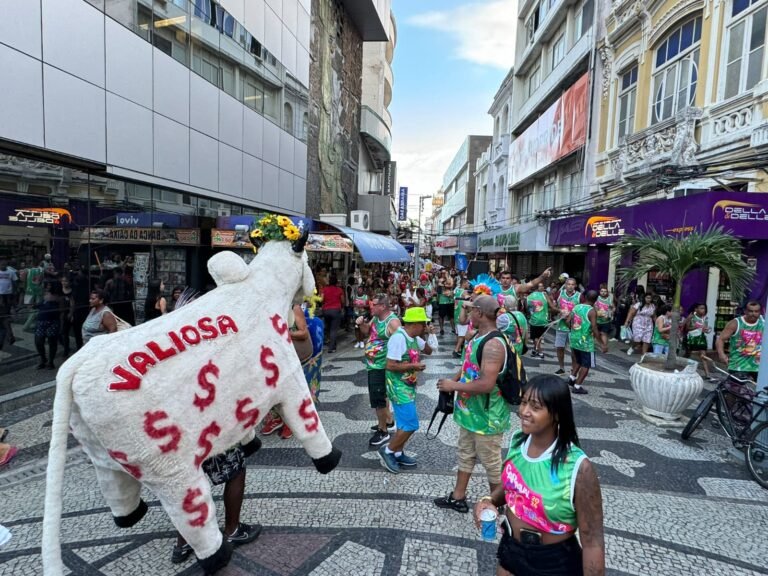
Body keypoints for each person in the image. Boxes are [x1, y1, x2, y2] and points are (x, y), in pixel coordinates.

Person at [473, 375, 605, 576]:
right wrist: (488, 499)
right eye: (524, 402)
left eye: (535, 407)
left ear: (557, 414)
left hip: (553, 561)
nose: (524, 412)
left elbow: (592, 540)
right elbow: (513, 486)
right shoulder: (518, 443)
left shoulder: (578, 467)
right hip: (511, 550)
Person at [434, 295, 510, 513]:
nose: (467, 314)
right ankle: (458, 497)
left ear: (480, 313)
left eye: (471, 310)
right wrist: (454, 380)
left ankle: (499, 505)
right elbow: (468, 365)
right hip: (470, 412)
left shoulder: (494, 344)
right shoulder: (478, 335)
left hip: (487, 416)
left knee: (491, 462)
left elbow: (487, 384)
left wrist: (453, 386)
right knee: (465, 453)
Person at [171, 441, 262, 564]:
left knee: (184, 482)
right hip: (207, 430)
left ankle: (184, 542)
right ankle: (233, 530)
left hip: (172, 435)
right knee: (235, 469)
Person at [378, 307, 433, 473]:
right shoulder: (398, 339)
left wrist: (428, 333)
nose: (425, 326)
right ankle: (387, 451)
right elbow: (390, 365)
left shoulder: (414, 337)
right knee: (410, 424)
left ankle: (398, 452)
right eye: (423, 324)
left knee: (403, 423)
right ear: (415, 324)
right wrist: (414, 365)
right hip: (397, 386)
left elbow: (429, 351)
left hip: (408, 385)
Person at [357, 294, 400, 447]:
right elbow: (366, 332)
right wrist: (361, 324)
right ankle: (388, 421)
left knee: (378, 400)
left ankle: (383, 431)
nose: (370, 306)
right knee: (382, 396)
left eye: (373, 304)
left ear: (382, 306)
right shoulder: (376, 318)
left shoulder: (393, 323)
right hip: (374, 365)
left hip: (382, 366)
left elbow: (402, 344)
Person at [568, 290, 606, 394]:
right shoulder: (592, 311)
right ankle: (577, 386)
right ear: (596, 300)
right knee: (586, 365)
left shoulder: (576, 307)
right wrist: (602, 343)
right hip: (586, 343)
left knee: (579, 361)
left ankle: (571, 378)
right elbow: (594, 328)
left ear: (585, 297)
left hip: (574, 339)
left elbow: (568, 321)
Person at [716, 300, 764, 382]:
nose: (753, 314)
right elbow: (720, 339)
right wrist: (721, 354)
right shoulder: (735, 323)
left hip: (758, 365)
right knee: (734, 390)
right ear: (745, 311)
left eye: (756, 311)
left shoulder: (763, 323)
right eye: (750, 311)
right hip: (738, 364)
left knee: (762, 391)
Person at [553, 277, 581, 375]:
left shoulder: (580, 296)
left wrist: (572, 315)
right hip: (561, 325)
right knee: (560, 347)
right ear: (565, 285)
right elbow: (553, 307)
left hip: (574, 327)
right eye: (568, 284)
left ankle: (573, 370)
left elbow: (583, 310)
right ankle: (561, 368)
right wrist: (559, 311)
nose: (570, 286)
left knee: (574, 350)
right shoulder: (559, 294)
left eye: (572, 284)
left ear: (575, 286)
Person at [35, 285, 62, 370]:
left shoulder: (58, 296)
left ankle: (50, 361)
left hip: (53, 320)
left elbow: (62, 307)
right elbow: (38, 304)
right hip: (41, 320)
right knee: (39, 341)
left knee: (52, 341)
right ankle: (43, 358)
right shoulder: (43, 295)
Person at [685, 303, 714, 381]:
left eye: (704, 308)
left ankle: (707, 374)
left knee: (703, 355)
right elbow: (687, 328)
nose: (703, 310)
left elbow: (705, 329)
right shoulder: (691, 317)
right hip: (692, 338)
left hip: (701, 338)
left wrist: (707, 330)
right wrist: (695, 327)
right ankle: (686, 371)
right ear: (696, 309)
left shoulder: (705, 318)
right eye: (701, 308)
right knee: (688, 355)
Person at [527, 282, 553, 359]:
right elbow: (551, 305)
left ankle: (539, 351)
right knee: (538, 337)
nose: (542, 288)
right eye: (540, 286)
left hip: (537, 320)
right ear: (536, 287)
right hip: (540, 320)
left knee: (536, 337)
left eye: (542, 286)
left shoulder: (530, 297)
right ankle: (537, 350)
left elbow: (528, 308)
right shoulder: (544, 295)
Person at [320, 275, 345, 353]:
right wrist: (342, 307)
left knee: (327, 328)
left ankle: (331, 343)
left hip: (326, 311)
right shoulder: (339, 290)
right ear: (336, 282)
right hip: (335, 310)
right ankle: (331, 348)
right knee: (333, 330)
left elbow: (321, 299)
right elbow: (343, 301)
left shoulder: (324, 289)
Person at [453, 278, 471, 359]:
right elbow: (469, 299)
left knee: (458, 334)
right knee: (462, 336)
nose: (469, 284)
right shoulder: (464, 292)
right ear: (464, 283)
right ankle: (456, 350)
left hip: (456, 314)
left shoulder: (457, 290)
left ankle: (459, 349)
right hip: (461, 315)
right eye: (468, 283)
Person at [595, 284, 614, 351]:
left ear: (607, 292)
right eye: (602, 291)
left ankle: (604, 347)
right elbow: (594, 307)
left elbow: (613, 308)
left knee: (604, 333)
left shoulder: (609, 300)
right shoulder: (597, 298)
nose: (603, 293)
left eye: (605, 291)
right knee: (594, 333)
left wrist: (610, 313)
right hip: (596, 320)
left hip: (606, 321)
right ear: (599, 292)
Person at [437, 271, 455, 336]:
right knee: (441, 316)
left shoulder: (450, 279)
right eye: (442, 273)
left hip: (450, 300)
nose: (443, 274)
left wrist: (444, 284)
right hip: (442, 300)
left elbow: (451, 285)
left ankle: (453, 329)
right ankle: (441, 329)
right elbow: (439, 286)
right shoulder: (440, 280)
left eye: (445, 273)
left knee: (451, 316)